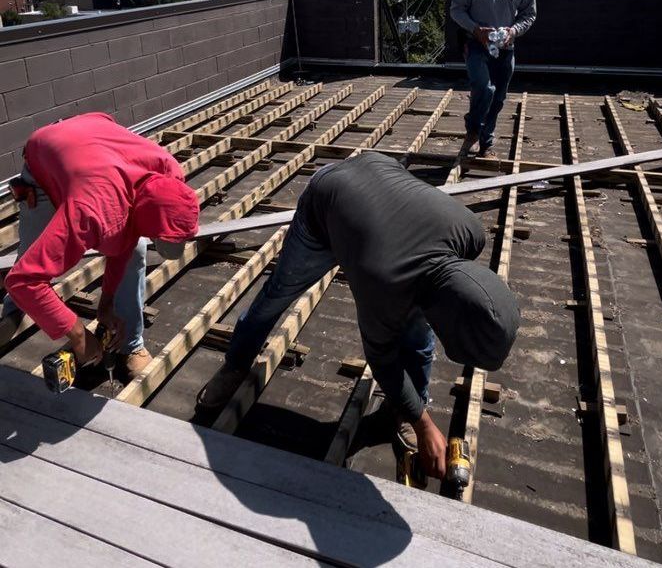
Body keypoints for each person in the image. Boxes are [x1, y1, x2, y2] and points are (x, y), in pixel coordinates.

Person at [195, 152, 520, 478]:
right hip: (324, 206)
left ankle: (409, 407)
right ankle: (235, 364)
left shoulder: (471, 234)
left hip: (375, 181)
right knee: (275, 298)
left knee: (418, 332)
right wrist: (426, 426)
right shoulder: (383, 278)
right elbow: (382, 360)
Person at [3, 113, 199, 378]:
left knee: (136, 251)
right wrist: (78, 334)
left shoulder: (171, 176)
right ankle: (16, 307)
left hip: (94, 147)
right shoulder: (94, 210)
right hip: (45, 158)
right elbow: (24, 279)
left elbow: (127, 241)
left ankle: (131, 343)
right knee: (31, 260)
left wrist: (106, 304)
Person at [450, 0, 536, 159]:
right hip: (476, 44)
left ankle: (485, 143)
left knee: (498, 98)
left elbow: (529, 14)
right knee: (484, 88)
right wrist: (476, 29)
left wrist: (513, 31)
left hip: (506, 48)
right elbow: (456, 10)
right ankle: (474, 130)